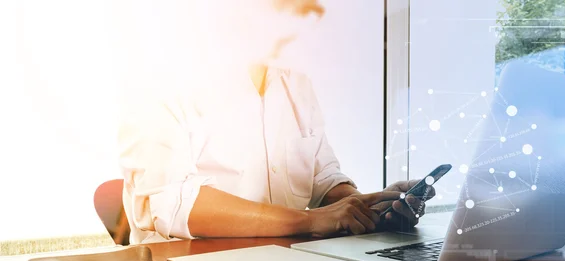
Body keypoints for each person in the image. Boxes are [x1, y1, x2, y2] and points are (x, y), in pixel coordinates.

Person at [118, 0, 433, 244]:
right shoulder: (162, 76)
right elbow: (170, 203)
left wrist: (366, 207)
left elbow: (322, 177)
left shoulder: (295, 81)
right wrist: (309, 220)